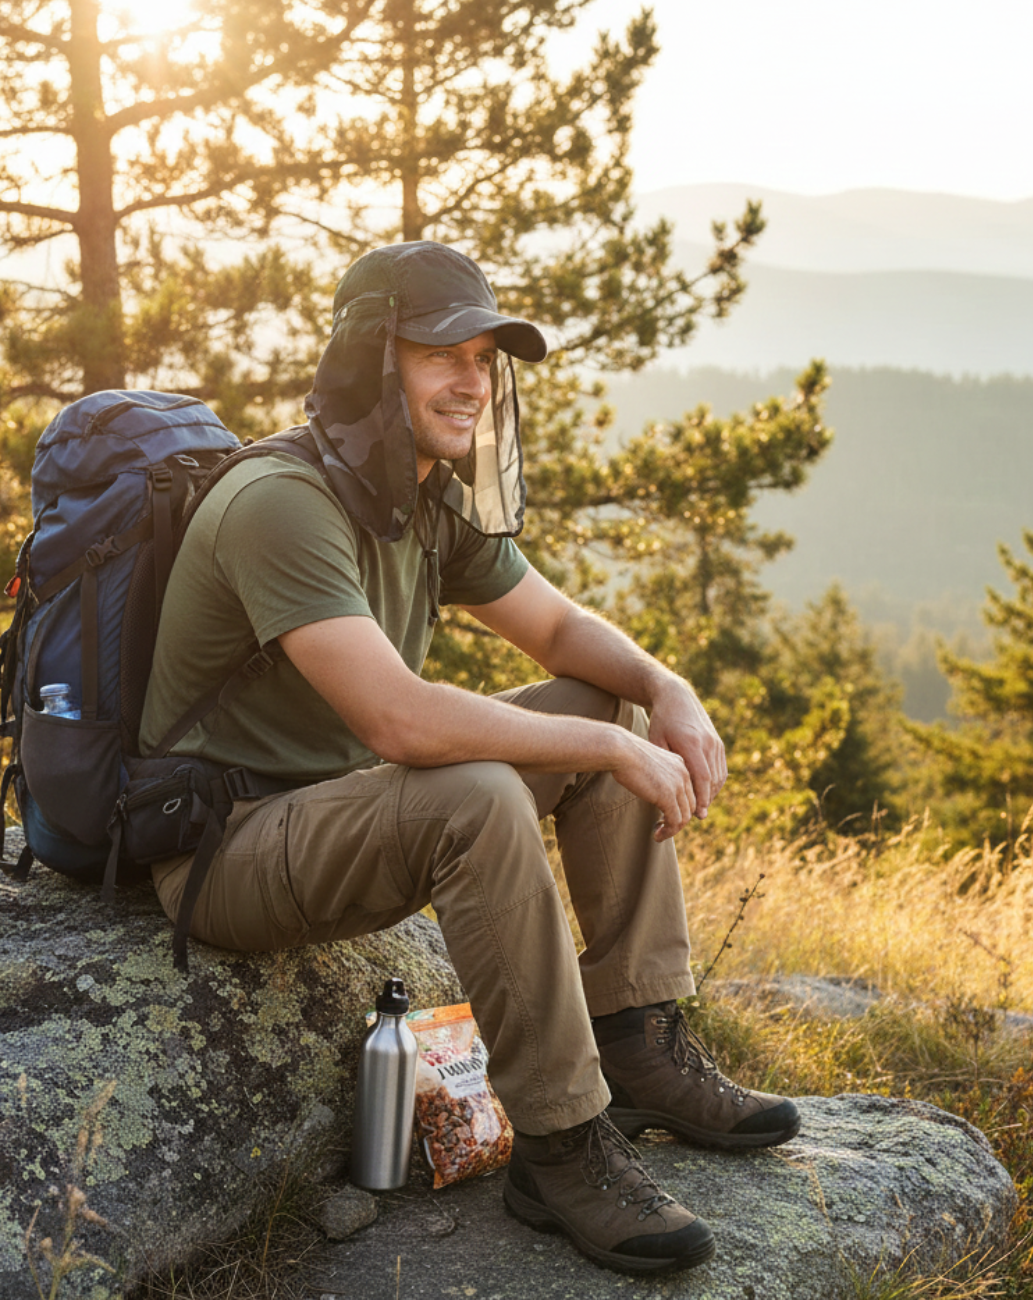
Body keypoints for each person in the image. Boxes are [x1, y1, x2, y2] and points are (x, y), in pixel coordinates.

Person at [139, 240, 800, 1275]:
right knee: (486, 789)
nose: (474, 380)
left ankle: (636, 1042)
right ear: (370, 360)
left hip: (342, 812)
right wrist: (606, 747)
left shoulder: (421, 497)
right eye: (442, 352)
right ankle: (560, 1143)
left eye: (485, 357)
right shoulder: (281, 502)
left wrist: (662, 688)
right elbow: (400, 722)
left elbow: (560, 630)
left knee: (600, 697)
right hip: (224, 851)